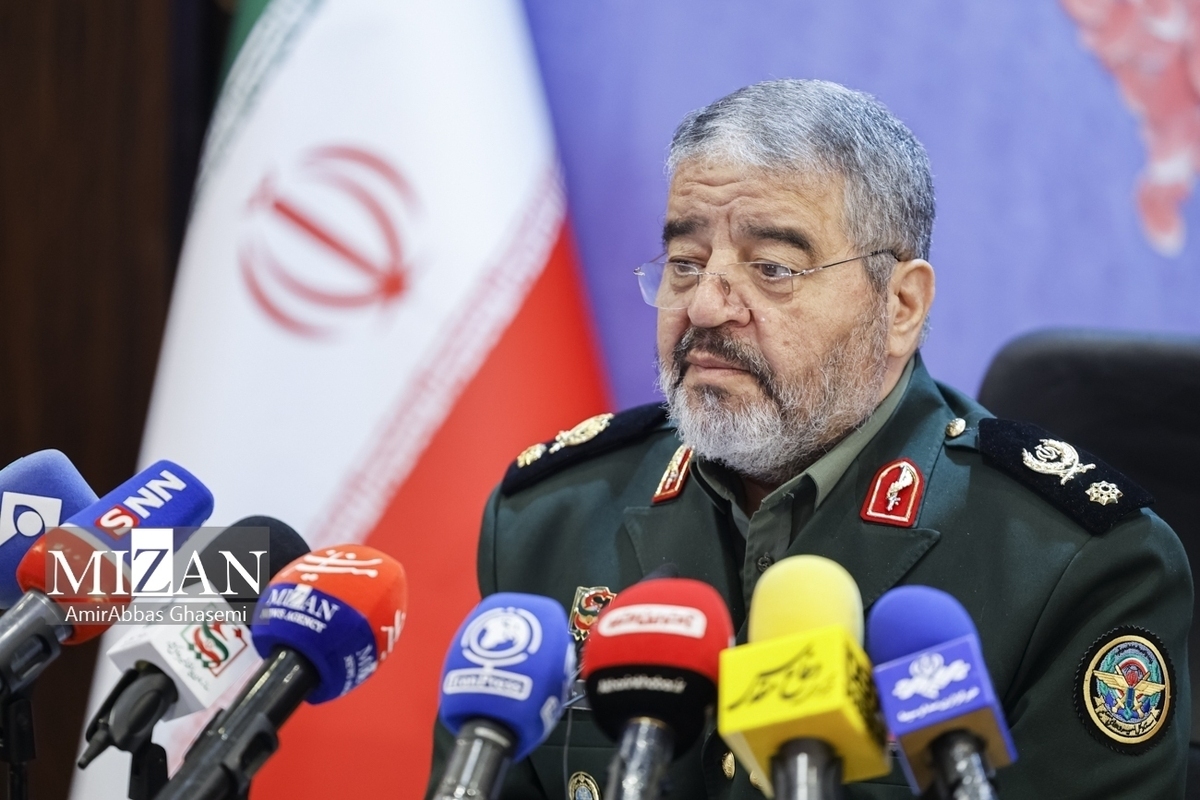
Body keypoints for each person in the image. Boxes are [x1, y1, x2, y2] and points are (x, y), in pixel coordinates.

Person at [426, 79, 1191, 799]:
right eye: (685, 263)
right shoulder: (549, 522)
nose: (706, 307)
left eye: (773, 268)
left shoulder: (1076, 565)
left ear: (900, 305)